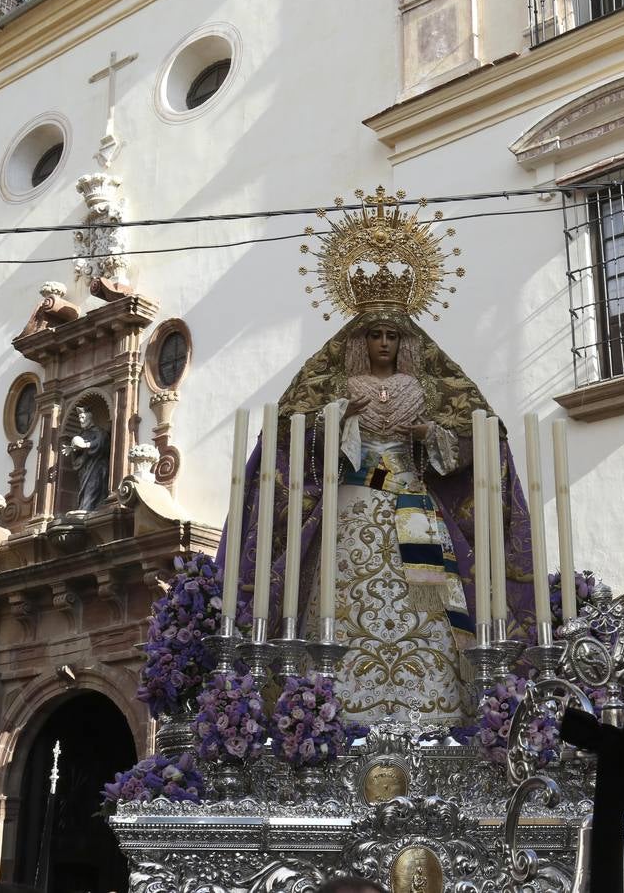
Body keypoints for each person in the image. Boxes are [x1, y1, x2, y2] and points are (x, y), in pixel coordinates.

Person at [219, 307, 536, 725]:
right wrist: (339, 420)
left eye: (391, 335)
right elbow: (295, 439)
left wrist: (430, 435)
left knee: (432, 602)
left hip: (414, 505)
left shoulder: (420, 388)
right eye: (375, 335)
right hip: (353, 507)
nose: (384, 342)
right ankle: (332, 708)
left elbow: (474, 439)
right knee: (339, 593)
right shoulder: (343, 388)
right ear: (360, 343)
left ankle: (436, 709)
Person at [60, 404, 110, 513]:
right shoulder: (81, 434)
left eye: (83, 417)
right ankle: (84, 507)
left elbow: (102, 443)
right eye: (79, 418)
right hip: (84, 469)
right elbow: (77, 452)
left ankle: (88, 509)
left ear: (89, 417)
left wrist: (86, 445)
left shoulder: (99, 431)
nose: (81, 420)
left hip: (97, 466)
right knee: (85, 490)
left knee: (93, 487)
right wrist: (72, 449)